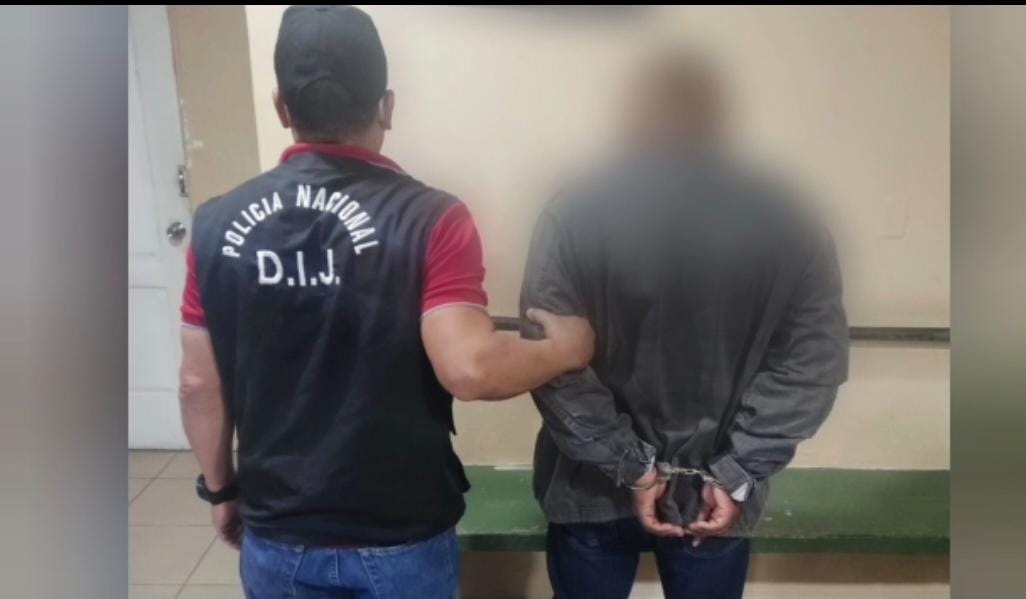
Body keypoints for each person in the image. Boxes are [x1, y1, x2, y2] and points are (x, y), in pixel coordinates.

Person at [177, 6, 593, 599]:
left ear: (281, 107)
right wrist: (567, 350)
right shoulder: (433, 218)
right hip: (400, 536)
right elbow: (470, 368)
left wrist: (220, 491)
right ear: (387, 106)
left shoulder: (216, 225)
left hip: (278, 529)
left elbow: (198, 384)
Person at [521, 51, 850, 598]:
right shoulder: (787, 219)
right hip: (715, 493)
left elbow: (547, 355)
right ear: (718, 120)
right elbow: (813, 363)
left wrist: (632, 467)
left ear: (631, 116)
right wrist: (737, 469)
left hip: (590, 486)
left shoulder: (574, 210)